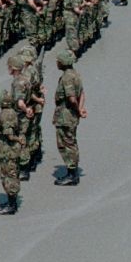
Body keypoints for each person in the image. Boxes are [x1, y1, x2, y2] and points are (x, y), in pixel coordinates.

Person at [52, 48, 86, 185]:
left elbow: (72, 98)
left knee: (66, 144)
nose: (57, 63)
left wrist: (78, 109)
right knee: (71, 142)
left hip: (66, 116)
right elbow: (82, 93)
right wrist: (81, 108)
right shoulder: (75, 74)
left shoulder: (67, 77)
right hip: (70, 115)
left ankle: (72, 174)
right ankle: (73, 171)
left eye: (58, 61)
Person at [0, 88, 22, 215]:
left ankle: (11, 205)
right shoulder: (10, 112)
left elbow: (9, 134)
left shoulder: (6, 115)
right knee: (10, 174)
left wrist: (18, 139)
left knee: (9, 175)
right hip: (8, 149)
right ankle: (11, 202)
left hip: (8, 150)